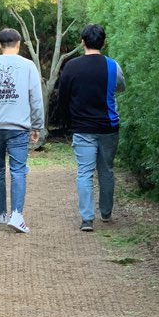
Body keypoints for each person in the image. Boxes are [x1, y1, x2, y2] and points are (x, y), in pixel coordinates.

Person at [0, 27, 44, 234]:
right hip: (19, 127)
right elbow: (36, 97)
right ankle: (17, 215)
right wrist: (37, 125)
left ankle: (1, 213)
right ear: (18, 44)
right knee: (18, 170)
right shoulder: (28, 66)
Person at [58, 24, 125, 231]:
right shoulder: (113, 66)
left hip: (82, 128)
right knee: (106, 170)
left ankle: (87, 219)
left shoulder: (71, 66)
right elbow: (121, 87)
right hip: (108, 126)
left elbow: (63, 97)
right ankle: (106, 212)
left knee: (84, 172)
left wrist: (66, 122)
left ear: (82, 42)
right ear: (103, 43)